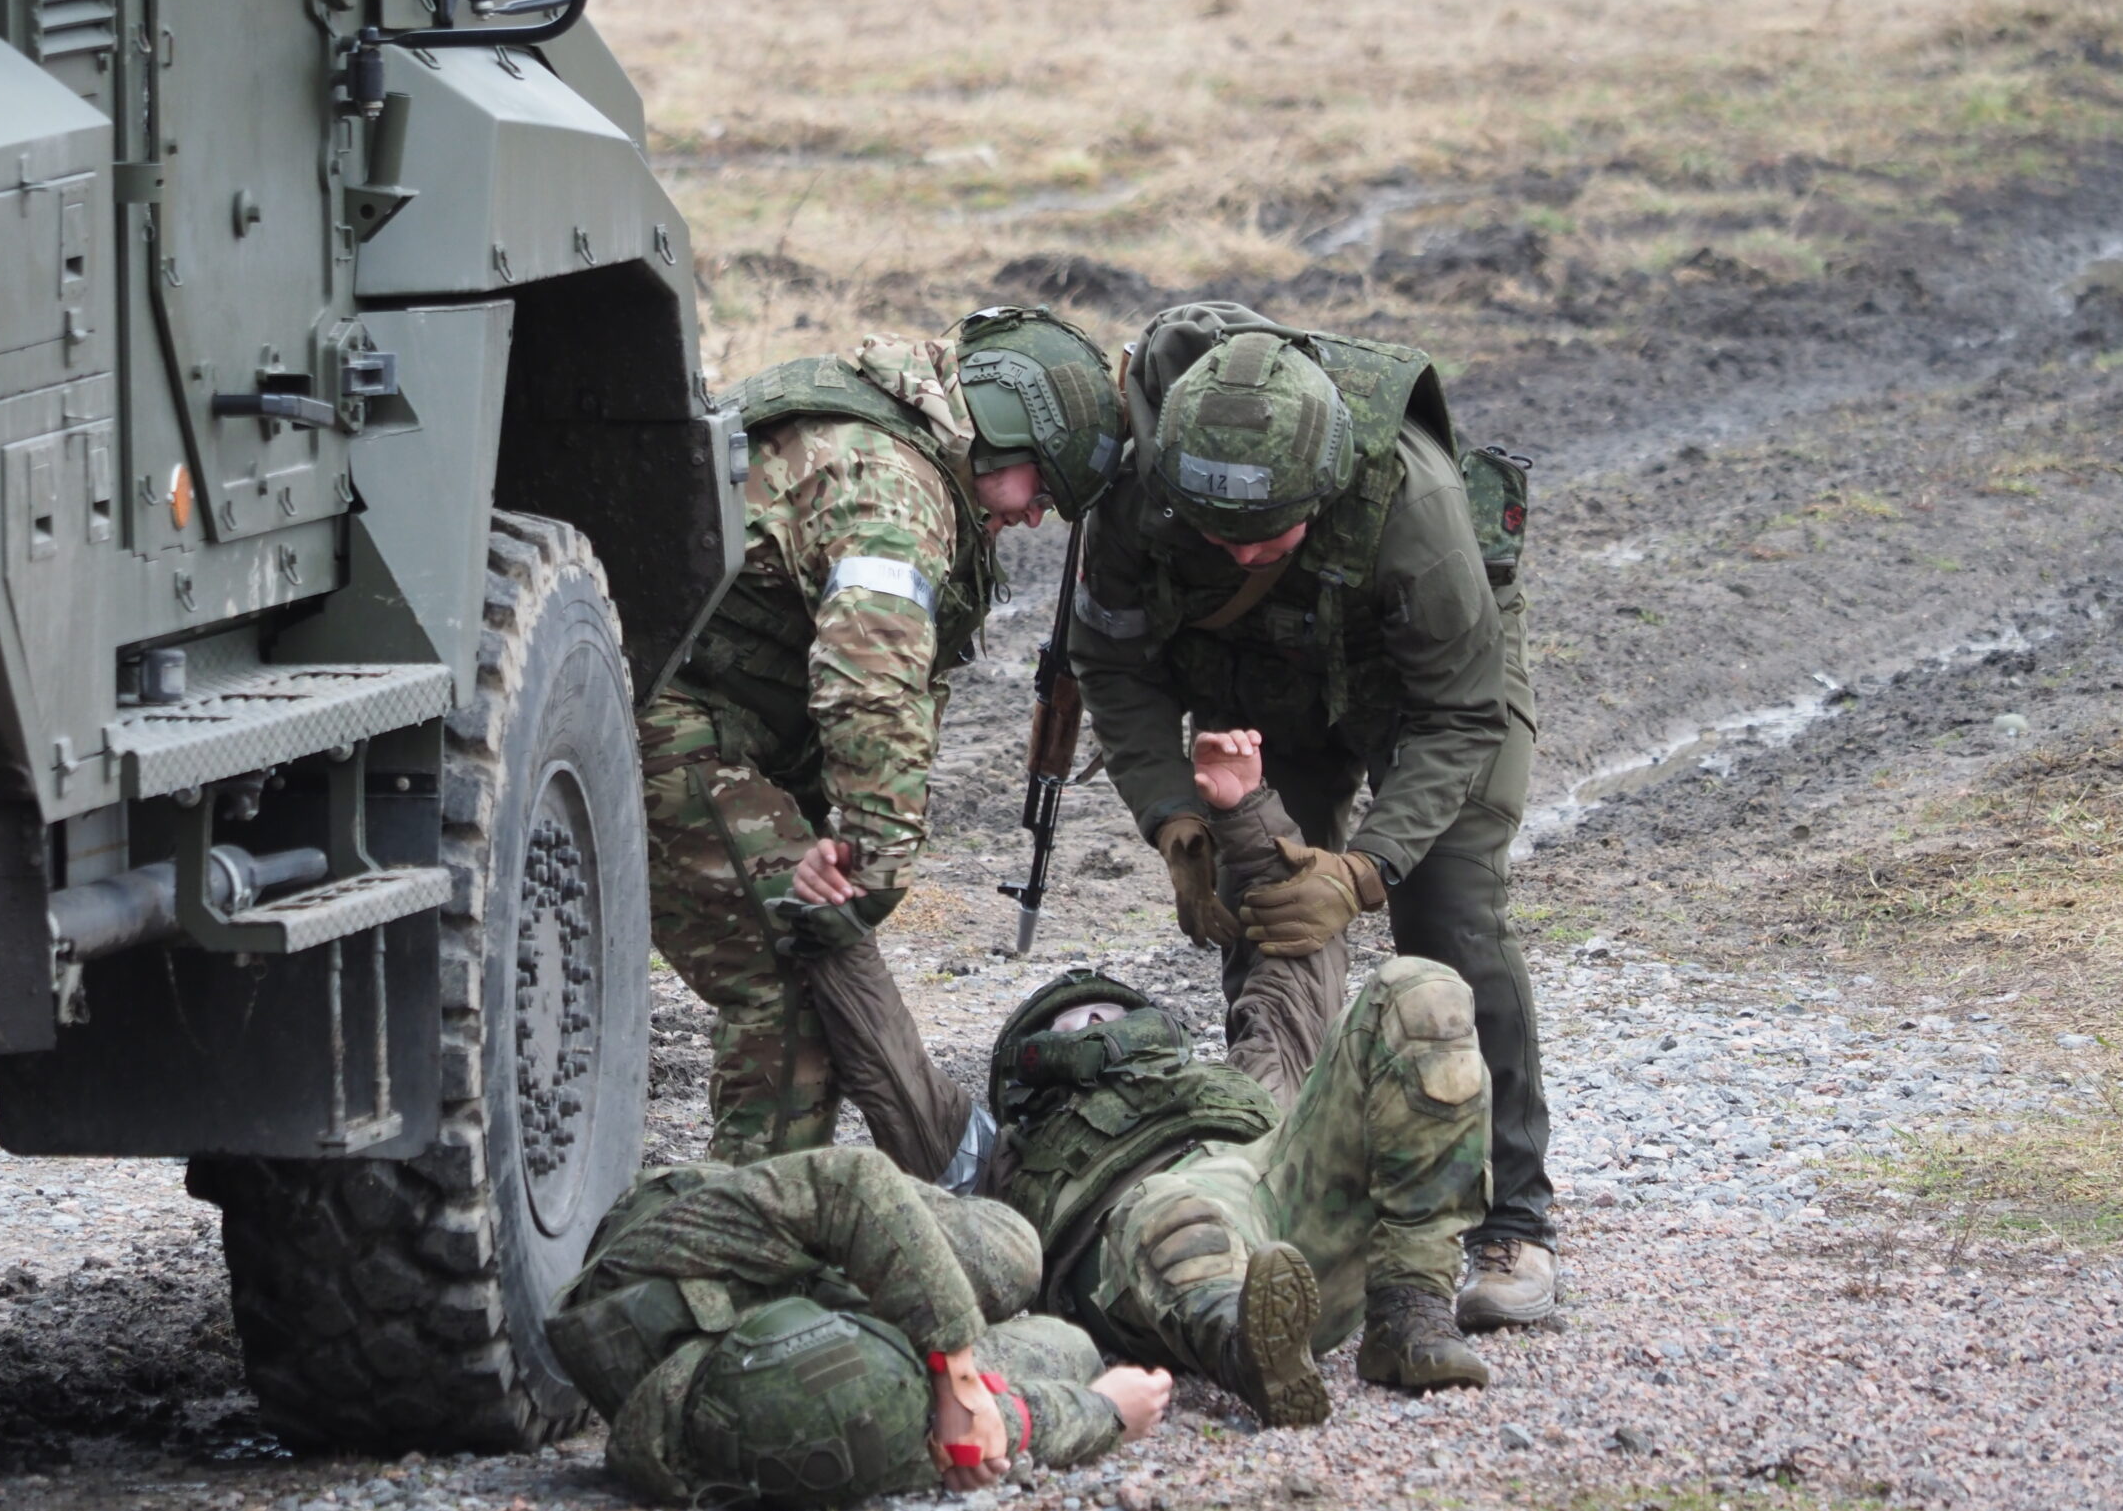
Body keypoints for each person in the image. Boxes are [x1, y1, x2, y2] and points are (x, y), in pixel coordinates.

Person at [1065, 299, 1556, 1329]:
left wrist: (1365, 870)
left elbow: (1461, 718)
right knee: (1272, 901)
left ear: (1324, 491)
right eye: (1220, 539)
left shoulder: (1411, 507)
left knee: (1449, 918)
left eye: (1270, 535)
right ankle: (1273, 1180)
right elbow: (1112, 664)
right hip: (1260, 667)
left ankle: (1510, 1219)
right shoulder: (1137, 494)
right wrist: (1173, 820)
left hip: (1420, 681)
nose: (1243, 556)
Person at [647, 306, 1125, 1185]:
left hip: (698, 710)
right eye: (1042, 490)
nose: (1034, 518)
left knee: (814, 968)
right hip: (665, 716)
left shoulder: (876, 428)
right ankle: (744, 1249)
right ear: (1005, 431)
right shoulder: (892, 488)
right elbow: (869, 679)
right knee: (791, 988)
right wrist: (872, 860)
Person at [980, 723, 1495, 1417]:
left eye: (1107, 1013)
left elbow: (1295, 947)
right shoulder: (1000, 1152)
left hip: (1297, 1215)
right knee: (1170, 1204)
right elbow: (885, 1067)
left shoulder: (1242, 1079)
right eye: (1067, 1025)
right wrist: (831, 909)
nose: (1094, 1026)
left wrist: (1244, 809)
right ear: (1027, 1071)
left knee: (1422, 990)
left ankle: (1411, 1310)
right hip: (1160, 1271)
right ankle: (1251, 1351)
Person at [547, 1146, 1173, 1508]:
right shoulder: (783, 1440)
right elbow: (963, 1441)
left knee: (1013, 1255)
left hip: (776, 1239)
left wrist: (956, 1374)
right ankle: (920, 1328)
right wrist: (1105, 1412)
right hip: (803, 1337)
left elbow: (852, 1181)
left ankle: (926, 1309)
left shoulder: (682, 1239)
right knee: (1073, 1347)